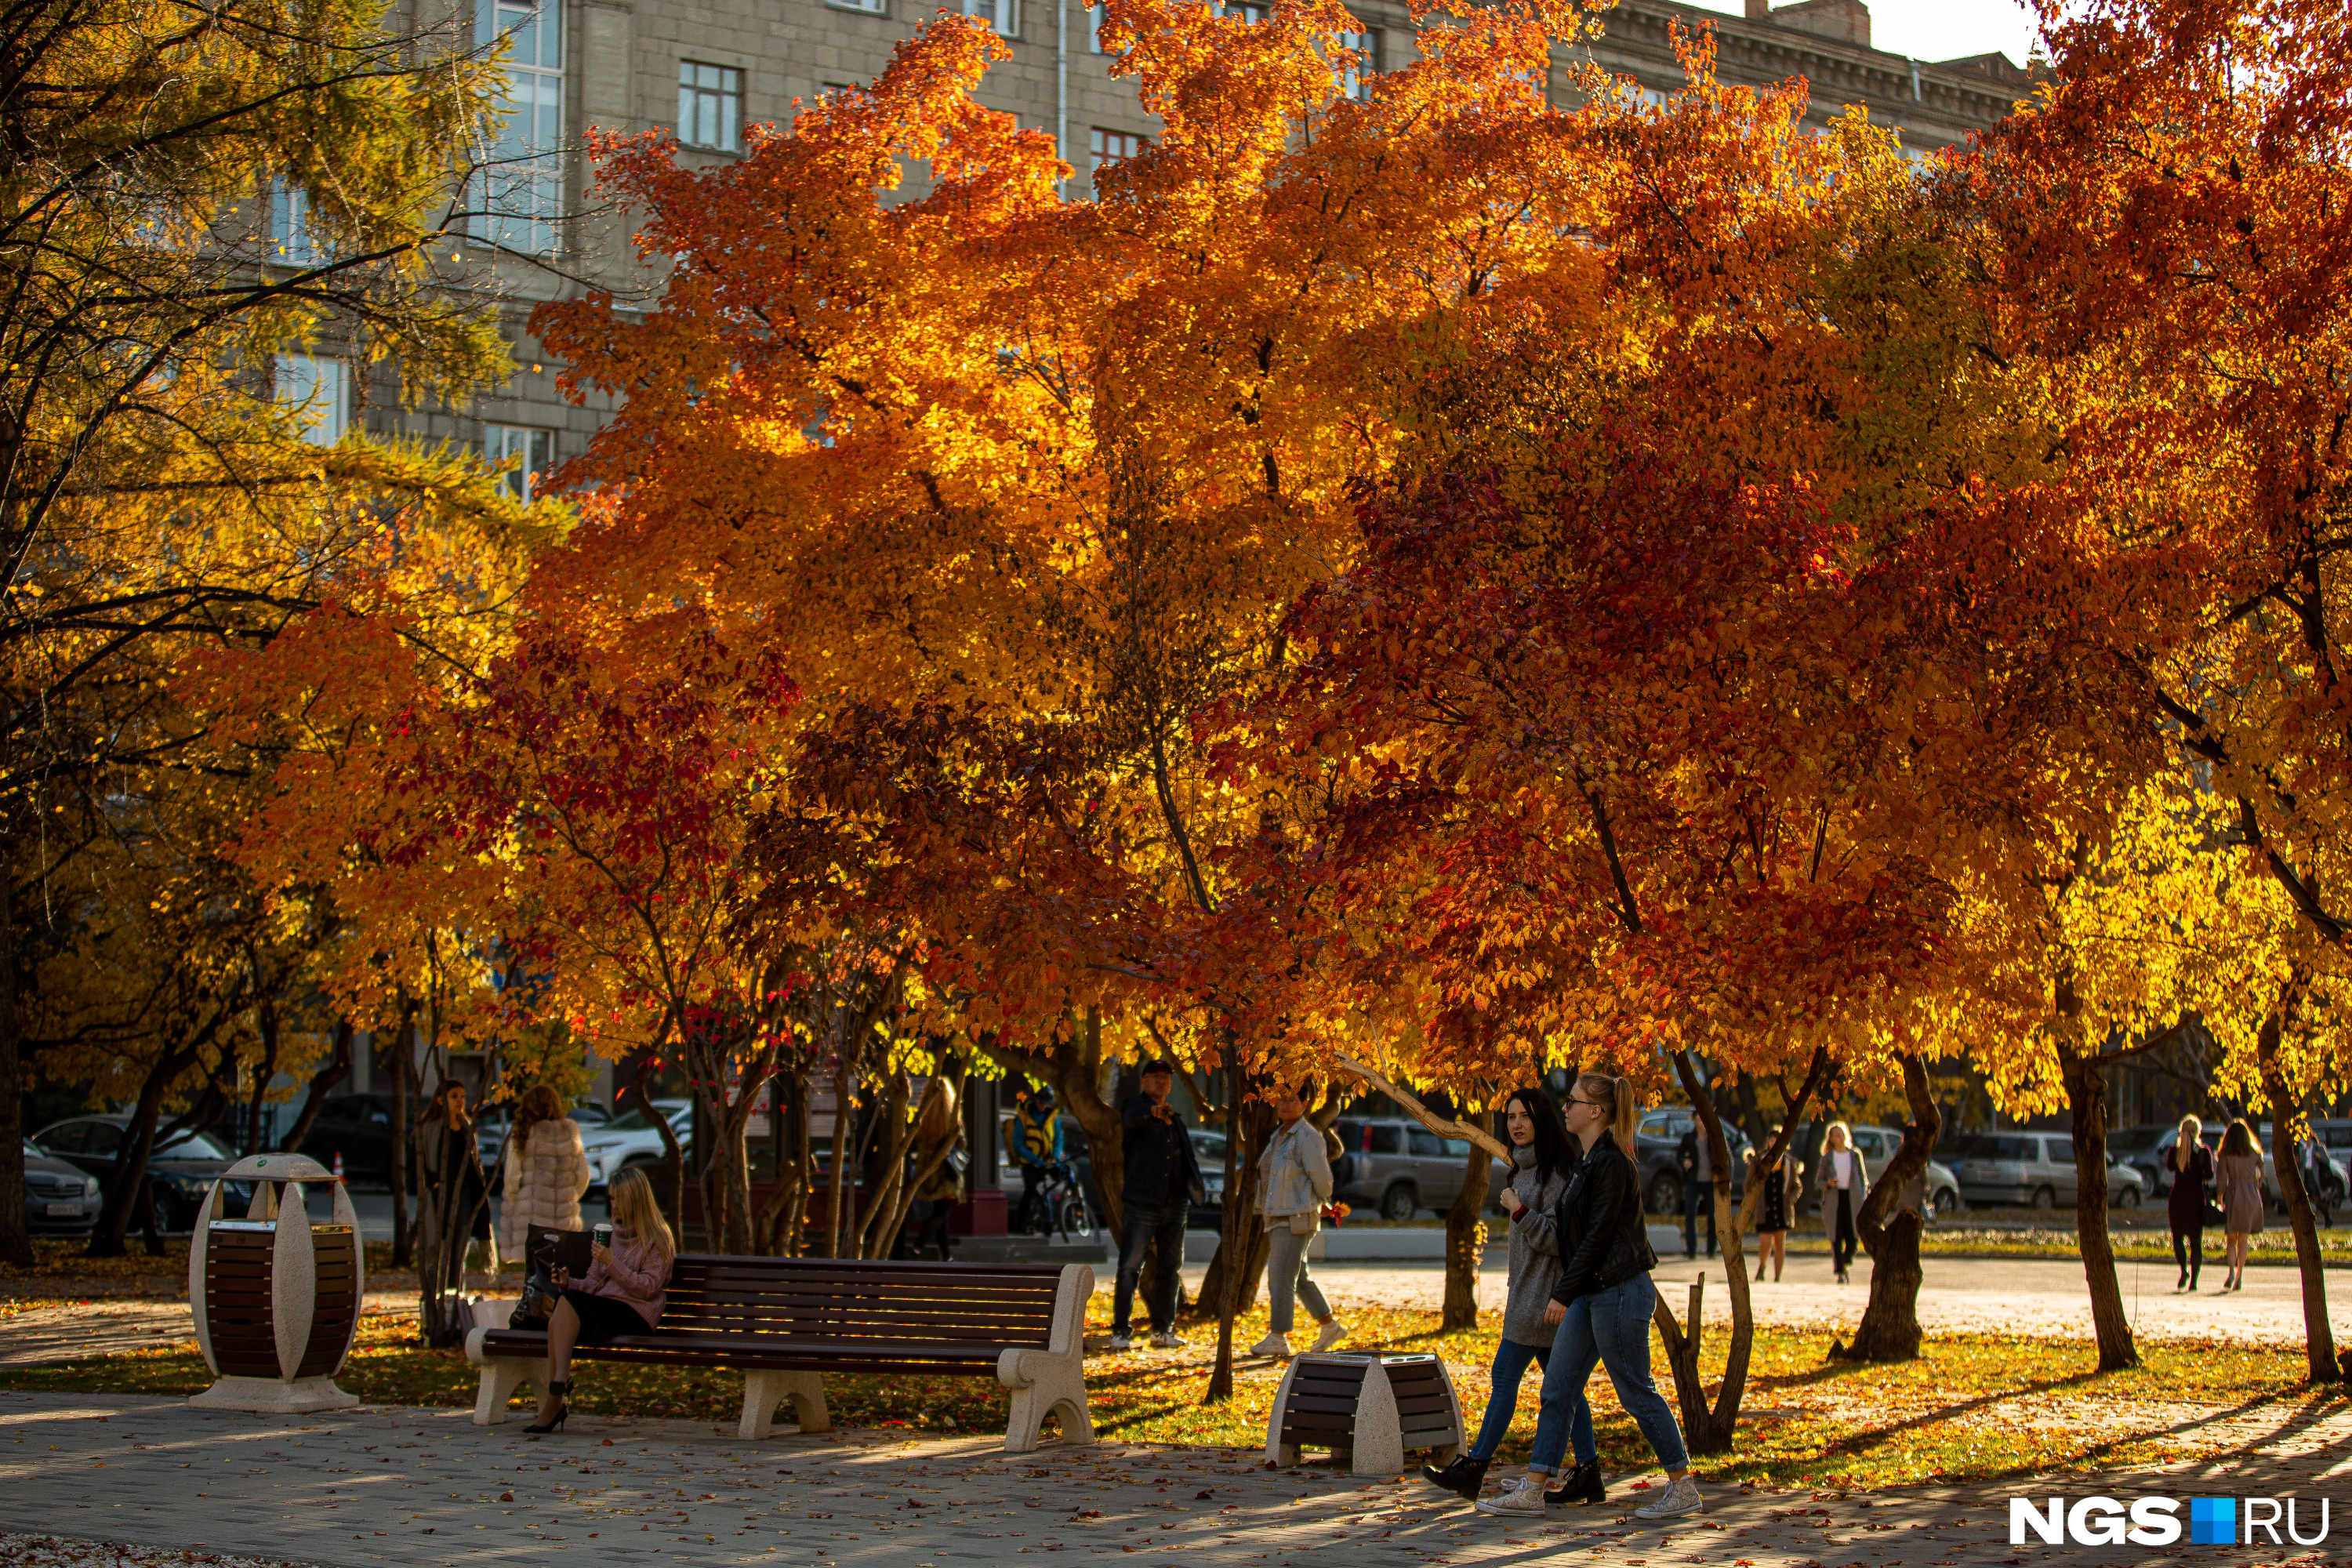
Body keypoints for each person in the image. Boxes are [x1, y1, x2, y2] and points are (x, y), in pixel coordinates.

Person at [1479, 1072, 1700, 1522]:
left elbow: (1597, 1239)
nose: (1565, 1108)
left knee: (1636, 1392)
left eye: (1574, 1101)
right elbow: (1571, 1238)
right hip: (1592, 1293)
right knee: (1558, 1388)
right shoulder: (1587, 1161)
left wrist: (1561, 1293)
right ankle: (1534, 1488)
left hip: (1620, 1292)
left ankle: (1683, 1487)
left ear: (1595, 1111)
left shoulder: (1613, 1163)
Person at [1423, 1084, 1600, 1505]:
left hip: (1543, 1302)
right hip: (1531, 1297)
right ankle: (1589, 1472)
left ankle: (1474, 1468)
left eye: (1524, 1117)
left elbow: (1560, 1239)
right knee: (1567, 1389)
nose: (1516, 1125)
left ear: (1542, 1121)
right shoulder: (1522, 1169)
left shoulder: (1557, 1174)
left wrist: (1519, 1211)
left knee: (1505, 1378)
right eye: (1511, 1117)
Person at [528, 1164, 676, 1433]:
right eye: (611, 1198)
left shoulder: (658, 1237)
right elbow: (594, 1284)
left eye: (619, 1199)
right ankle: (557, 1391)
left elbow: (648, 1289)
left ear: (635, 1199)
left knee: (563, 1311)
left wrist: (611, 1263)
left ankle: (556, 1396)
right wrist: (568, 1282)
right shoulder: (610, 1233)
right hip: (604, 1309)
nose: (614, 1205)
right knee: (562, 1308)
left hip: (636, 1312)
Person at [1111, 1058, 1204, 1351]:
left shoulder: (1176, 1120)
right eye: (1155, 1077)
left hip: (1175, 1205)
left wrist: (1194, 1189)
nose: (1161, 1081)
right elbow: (1132, 1118)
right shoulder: (1134, 1108)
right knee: (1129, 1267)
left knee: (1171, 1268)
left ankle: (1162, 1330)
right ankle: (1120, 1332)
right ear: (1144, 1081)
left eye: (1166, 1077)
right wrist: (1152, 1112)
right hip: (1142, 1203)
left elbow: (1186, 1160)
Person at [1251, 1082, 1347, 1359]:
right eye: (1281, 1100)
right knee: (1300, 1277)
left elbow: (1323, 1180)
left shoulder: (1307, 1136)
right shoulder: (1280, 1135)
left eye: (1292, 1100)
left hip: (1296, 1217)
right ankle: (1330, 1327)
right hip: (1279, 1214)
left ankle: (1278, 1337)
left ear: (1306, 1104)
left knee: (1280, 1277)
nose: (1285, 1105)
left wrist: (1321, 1202)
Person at [495, 1085, 591, 1259]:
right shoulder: (570, 1131)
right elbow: (583, 1176)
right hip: (564, 1221)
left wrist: (518, 1202)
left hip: (531, 1220)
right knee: (560, 1273)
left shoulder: (523, 1132)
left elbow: (512, 1178)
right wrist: (567, 1197)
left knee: (533, 1273)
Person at [415, 1080, 493, 1294]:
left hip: (466, 1196)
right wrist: (434, 1181)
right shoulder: (430, 1130)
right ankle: (434, 1302)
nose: (460, 1101)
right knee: (439, 1252)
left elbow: (474, 1165)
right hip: (440, 1198)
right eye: (454, 1096)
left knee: (459, 1254)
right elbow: (418, 1161)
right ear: (440, 1100)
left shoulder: (467, 1129)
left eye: (462, 1096)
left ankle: (455, 1301)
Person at [2166, 1115, 2215, 1292]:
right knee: (2196, 1242)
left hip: (2177, 1200)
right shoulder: (2203, 1152)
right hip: (2195, 1201)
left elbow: (2170, 1167)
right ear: (2198, 1132)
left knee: (2177, 1238)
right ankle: (2194, 1281)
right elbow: (2209, 1175)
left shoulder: (2175, 1151)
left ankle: (2183, 1271)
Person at [1006, 1086, 1063, 1235]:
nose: (1043, 1106)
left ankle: (1059, 1214)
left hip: (1049, 1161)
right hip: (1030, 1164)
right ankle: (1022, 1223)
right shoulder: (1023, 1117)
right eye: (1040, 1102)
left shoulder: (1053, 1117)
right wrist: (1036, 1161)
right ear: (1034, 1100)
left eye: (1046, 1103)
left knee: (1065, 1175)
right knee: (1030, 1191)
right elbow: (1018, 1145)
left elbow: (1058, 1140)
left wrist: (1056, 1157)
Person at [2217, 1119, 2265, 1293]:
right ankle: (2240, 1275)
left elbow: (2222, 1179)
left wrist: (2219, 1196)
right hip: (2251, 1196)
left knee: (2231, 1238)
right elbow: (2261, 1177)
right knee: (2243, 1238)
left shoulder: (2225, 1154)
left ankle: (2231, 1272)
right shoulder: (2255, 1154)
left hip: (2234, 1195)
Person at [1748, 1129, 1802, 1283]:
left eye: (1777, 1140)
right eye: (1772, 1140)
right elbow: (1748, 1184)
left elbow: (1797, 1186)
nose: (1774, 1143)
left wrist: (1790, 1199)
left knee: (1780, 1243)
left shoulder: (1789, 1162)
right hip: (1764, 1207)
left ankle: (1777, 1277)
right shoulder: (1760, 1159)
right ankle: (1762, 1267)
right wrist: (1755, 1202)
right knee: (1765, 1243)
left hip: (1782, 1207)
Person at [1819, 1123, 1868, 1284]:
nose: (1838, 1138)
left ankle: (1845, 1262)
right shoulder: (1827, 1158)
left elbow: (1863, 1178)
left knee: (1853, 1237)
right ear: (1831, 1139)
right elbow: (1818, 1181)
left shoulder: (1855, 1155)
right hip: (1834, 1198)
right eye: (1835, 1135)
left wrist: (1863, 1197)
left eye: (1841, 1134)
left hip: (1852, 1198)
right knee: (1836, 1235)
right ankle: (1840, 1270)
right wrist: (1828, 1183)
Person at [1675, 1121, 1716, 1260]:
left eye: (1702, 1119)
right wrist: (1684, 1162)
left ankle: (1711, 1250)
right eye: (1698, 1119)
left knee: (1713, 1216)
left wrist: (1727, 1179)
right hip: (1693, 1180)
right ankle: (1691, 1250)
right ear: (1694, 1121)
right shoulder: (1689, 1138)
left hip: (1711, 1181)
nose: (1701, 1122)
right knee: (1690, 1214)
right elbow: (1679, 1155)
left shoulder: (1714, 1136)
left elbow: (1726, 1156)